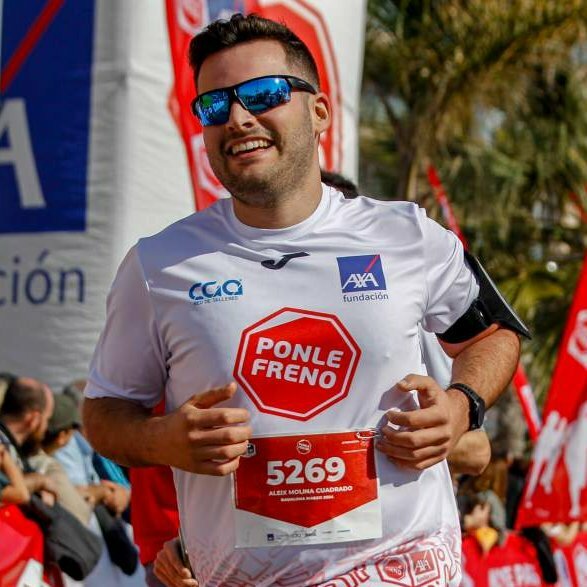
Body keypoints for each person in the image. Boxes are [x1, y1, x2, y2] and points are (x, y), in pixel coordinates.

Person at [83, 14, 522, 586]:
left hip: (403, 569)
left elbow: (493, 334)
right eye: (214, 105)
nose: (239, 118)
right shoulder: (158, 265)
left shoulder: (408, 236)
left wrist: (462, 406)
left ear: (319, 112)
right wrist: (160, 440)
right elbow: (105, 412)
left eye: (264, 94)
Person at [0, 375, 57, 505]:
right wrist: (38, 482)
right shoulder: (3, 446)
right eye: (46, 419)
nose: (46, 428)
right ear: (34, 419)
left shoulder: (14, 449)